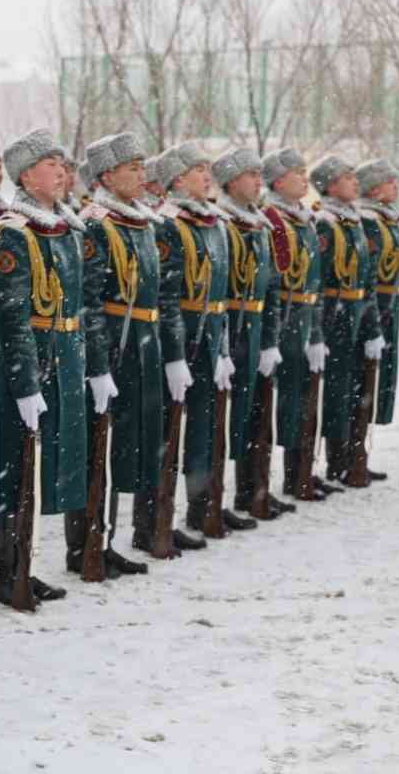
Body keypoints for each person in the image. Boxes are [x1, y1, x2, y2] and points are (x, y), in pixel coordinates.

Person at [0, 128, 87, 603]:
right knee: (16, 469)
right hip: (30, 367)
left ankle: (23, 563)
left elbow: (75, 306)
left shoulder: (61, 227)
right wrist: (25, 382)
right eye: (52, 165)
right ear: (27, 175)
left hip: (63, 359)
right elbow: (13, 316)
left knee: (40, 468)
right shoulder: (14, 232)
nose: (63, 172)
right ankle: (5, 570)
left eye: (64, 164)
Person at [79, 131, 170, 577]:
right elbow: (89, 302)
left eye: (142, 166)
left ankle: (111, 534)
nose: (141, 174)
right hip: (117, 343)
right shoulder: (99, 223)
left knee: (130, 442)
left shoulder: (139, 220)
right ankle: (91, 542)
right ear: (108, 175)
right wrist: (98, 364)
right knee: (104, 444)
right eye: (132, 167)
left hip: (143, 342)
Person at [153, 142, 233, 546]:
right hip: (183, 336)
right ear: (178, 180)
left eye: (207, 168)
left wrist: (222, 350)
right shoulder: (170, 225)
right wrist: (173, 355)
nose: (207, 175)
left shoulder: (214, 224)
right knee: (168, 435)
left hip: (210, 336)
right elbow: (165, 298)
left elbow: (223, 294)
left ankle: (201, 508)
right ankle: (158, 521)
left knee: (204, 429)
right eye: (198, 169)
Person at [215, 148, 288, 523]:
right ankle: (212, 503)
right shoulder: (223, 223)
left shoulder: (258, 222)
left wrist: (271, 339)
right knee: (223, 420)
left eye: (261, 174)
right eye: (251, 175)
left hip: (256, 328)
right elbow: (216, 294)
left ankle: (251, 491)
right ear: (231, 182)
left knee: (255, 415)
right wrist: (223, 347)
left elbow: (272, 287)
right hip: (233, 329)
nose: (259, 181)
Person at [261, 148, 336, 502]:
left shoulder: (303, 218)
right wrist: (272, 336)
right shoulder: (273, 219)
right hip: (287, 317)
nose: (304, 179)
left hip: (306, 315)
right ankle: (286, 477)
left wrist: (318, 333)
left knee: (307, 396)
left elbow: (315, 282)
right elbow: (274, 281)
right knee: (288, 399)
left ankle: (302, 470)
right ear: (278, 181)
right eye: (297, 173)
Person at [310, 155, 384, 486]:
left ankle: (354, 457)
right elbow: (320, 281)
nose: (356, 182)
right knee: (337, 391)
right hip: (335, 316)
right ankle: (336, 460)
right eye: (347, 176)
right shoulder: (326, 223)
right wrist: (319, 330)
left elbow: (366, 281)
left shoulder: (353, 221)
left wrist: (372, 329)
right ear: (330, 185)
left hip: (356, 313)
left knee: (356, 388)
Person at [356, 158, 399, 480]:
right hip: (376, 309)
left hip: (390, 307)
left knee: (377, 383)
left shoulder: (387, 219)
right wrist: (374, 317)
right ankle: (351, 458)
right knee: (363, 383)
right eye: (389, 181)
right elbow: (369, 274)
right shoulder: (371, 221)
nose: (395, 186)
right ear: (374, 188)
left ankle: (357, 454)